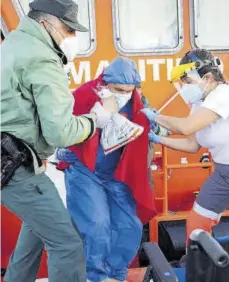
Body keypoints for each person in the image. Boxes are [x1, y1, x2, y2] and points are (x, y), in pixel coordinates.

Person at [0, 0, 99, 281]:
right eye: (68, 30)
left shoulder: (13, 44)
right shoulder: (43, 57)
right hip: (16, 166)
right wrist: (94, 123)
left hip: (9, 163)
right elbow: (61, 132)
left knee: (35, 232)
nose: (72, 38)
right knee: (67, 244)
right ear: (47, 23)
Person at [141, 49, 229, 245]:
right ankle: (201, 268)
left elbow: (186, 127)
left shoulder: (226, 94)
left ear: (208, 77)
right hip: (224, 173)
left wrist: (155, 117)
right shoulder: (200, 104)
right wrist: (156, 139)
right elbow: (192, 144)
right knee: (197, 223)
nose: (185, 87)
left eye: (188, 82)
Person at [56, 57, 156, 282]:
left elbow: (143, 132)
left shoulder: (138, 101)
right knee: (97, 225)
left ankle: (115, 274)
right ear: (105, 83)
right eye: (119, 89)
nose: (124, 94)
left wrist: (153, 125)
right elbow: (63, 129)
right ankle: (95, 276)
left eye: (129, 90)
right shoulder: (84, 94)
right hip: (84, 170)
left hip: (116, 172)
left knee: (131, 227)